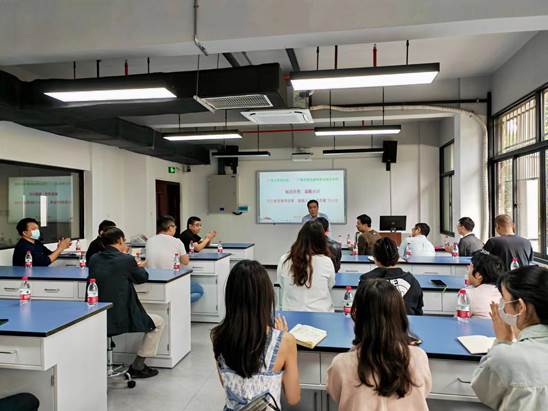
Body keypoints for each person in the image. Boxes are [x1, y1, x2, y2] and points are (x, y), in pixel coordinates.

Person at [327, 279, 431, 411]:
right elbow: (425, 391)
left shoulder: (341, 363)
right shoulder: (419, 357)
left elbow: (335, 393)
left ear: (357, 315)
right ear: (399, 314)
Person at [211, 260, 300, 410]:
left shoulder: (218, 336)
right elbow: (293, 398)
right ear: (266, 297)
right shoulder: (285, 341)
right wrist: (282, 335)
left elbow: (226, 384)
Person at [88, 227, 165, 379]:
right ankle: (138, 366)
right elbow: (142, 277)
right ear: (120, 241)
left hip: (96, 315)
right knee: (159, 322)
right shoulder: (126, 259)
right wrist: (136, 265)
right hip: (120, 316)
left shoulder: (94, 259)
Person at [471, 266, 548, 410]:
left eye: (504, 301)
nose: (502, 307)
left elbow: (484, 392)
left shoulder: (506, 357)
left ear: (520, 307)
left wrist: (503, 341)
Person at [277, 221, 335, 312]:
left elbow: (281, 283)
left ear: (300, 238)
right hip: (321, 314)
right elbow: (330, 286)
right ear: (322, 240)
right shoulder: (326, 262)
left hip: (291, 314)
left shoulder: (284, 259)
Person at [146, 215, 203, 303]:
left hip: (152, 282)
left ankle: (178, 302)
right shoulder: (177, 241)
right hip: (170, 280)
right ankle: (180, 302)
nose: (175, 229)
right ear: (170, 227)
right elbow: (185, 261)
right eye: (175, 227)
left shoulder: (149, 241)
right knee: (199, 290)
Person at [360, 237, 423, 315]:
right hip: (406, 322)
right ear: (397, 257)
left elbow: (360, 310)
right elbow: (418, 311)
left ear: (375, 259)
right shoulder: (412, 280)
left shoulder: (366, 280)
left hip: (375, 322)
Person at [466, 250, 503, 318]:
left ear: (479, 275)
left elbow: (458, 319)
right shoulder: (503, 293)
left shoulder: (466, 294)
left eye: (470, 267)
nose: (467, 269)